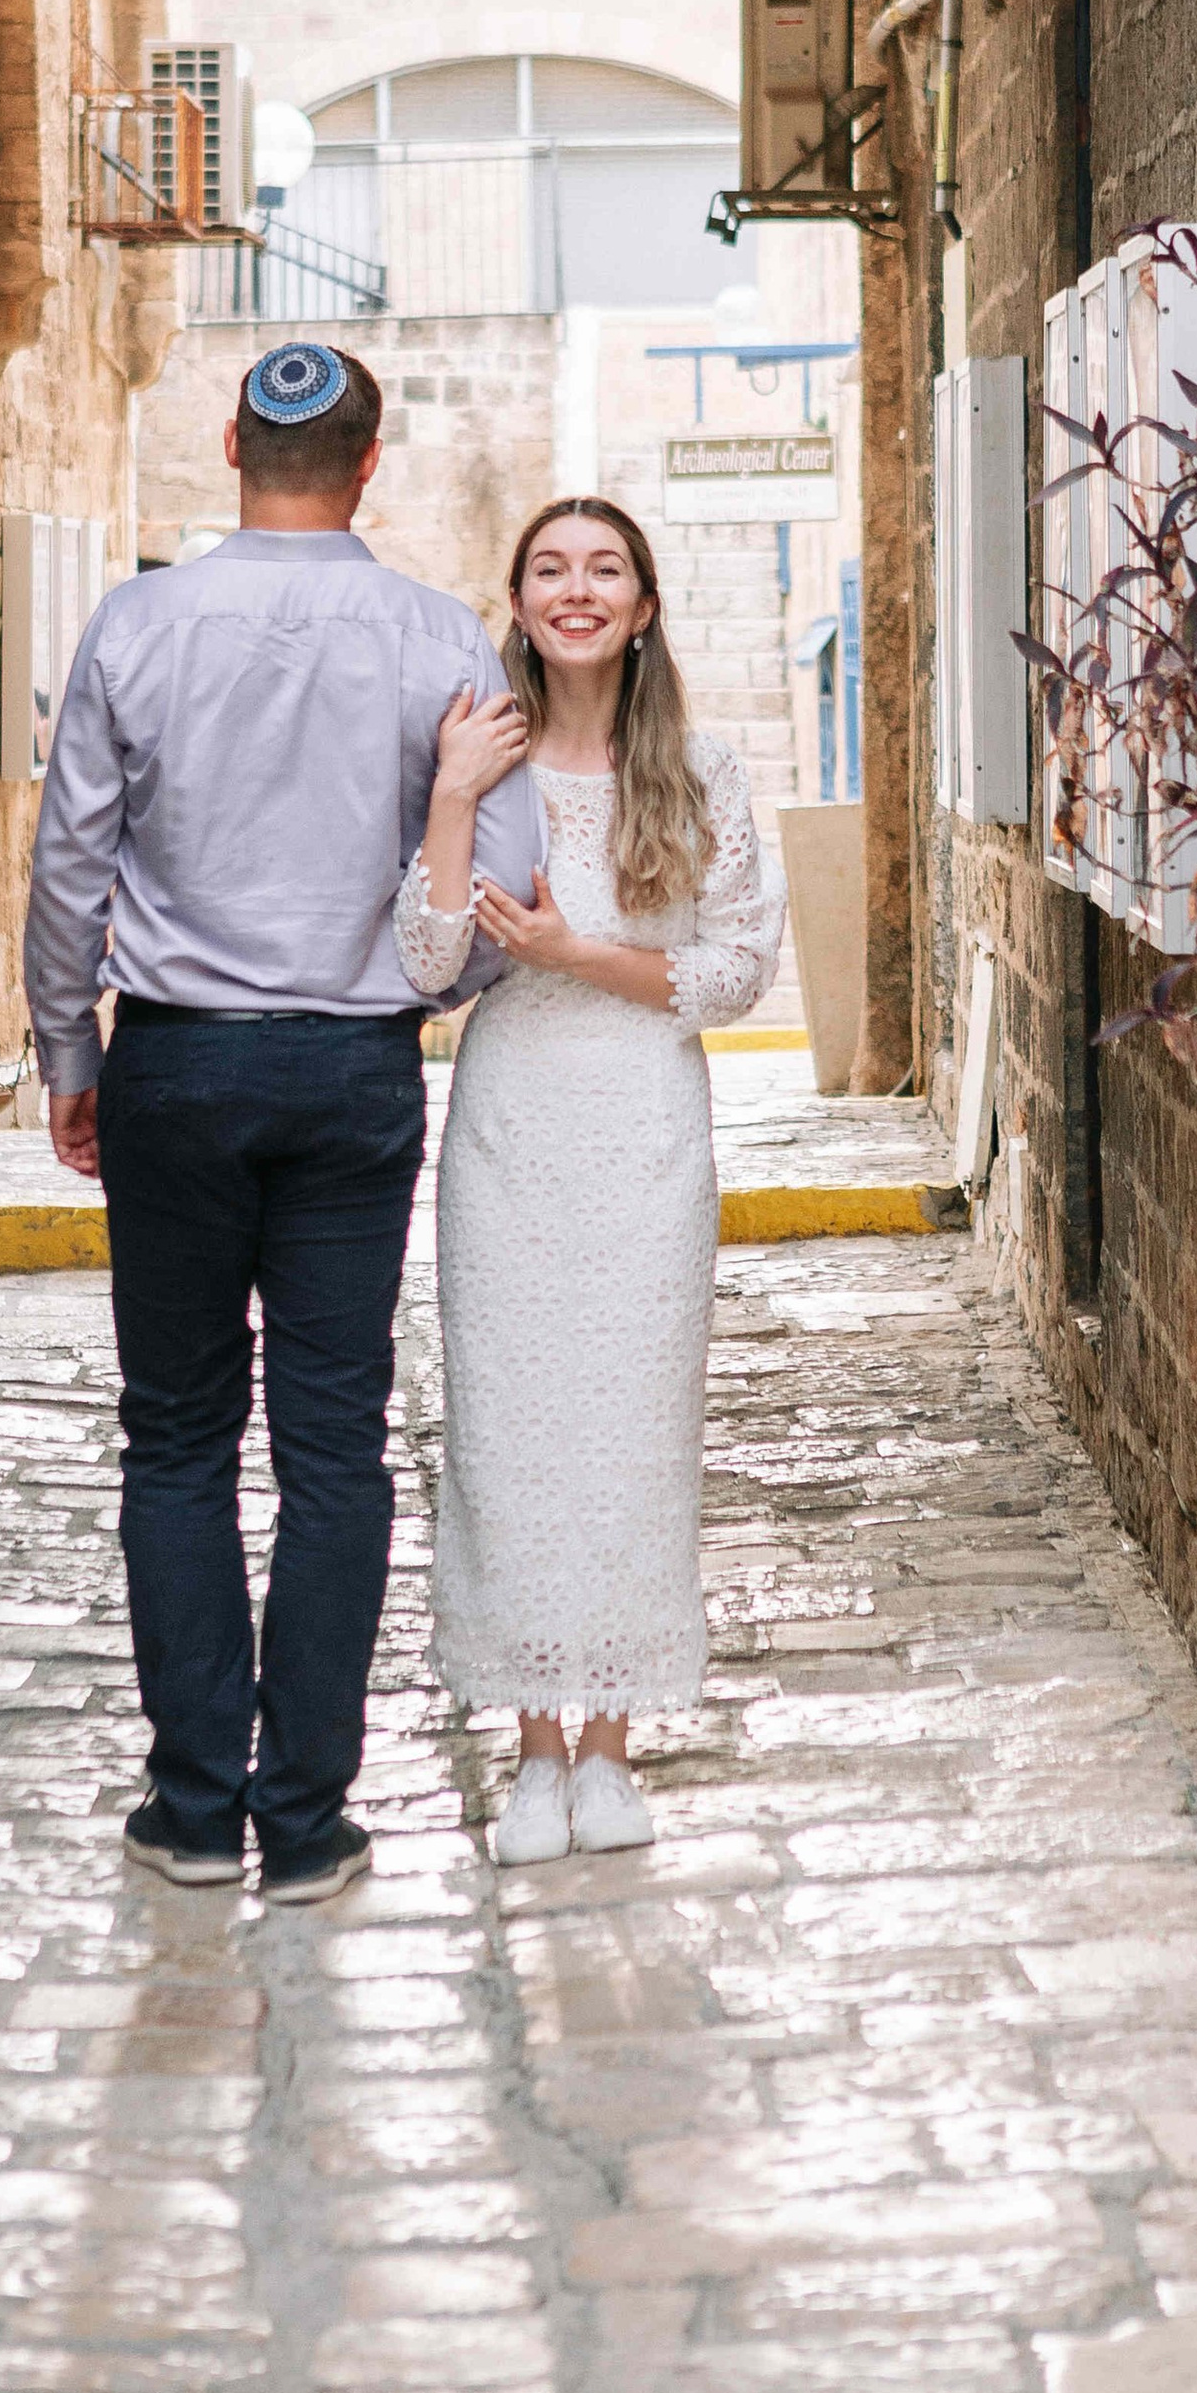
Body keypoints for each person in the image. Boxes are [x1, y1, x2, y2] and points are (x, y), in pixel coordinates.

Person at [23, 340, 539, 1905]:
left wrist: (70, 1052)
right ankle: (305, 1816)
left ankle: (192, 1807)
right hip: (350, 1074)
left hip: (174, 1067)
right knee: (336, 1447)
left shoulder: (139, 623)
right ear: (371, 461)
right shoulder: (441, 640)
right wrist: (403, 1006)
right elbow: (498, 898)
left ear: (234, 442)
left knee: (176, 1433)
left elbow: (68, 872)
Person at [396, 496, 782, 1863]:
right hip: (510, 1134)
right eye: (551, 568)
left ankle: (613, 1743)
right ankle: (532, 1751)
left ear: (644, 604)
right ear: (519, 598)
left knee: (632, 1432)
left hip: (643, 1129)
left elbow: (734, 973)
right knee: (506, 1436)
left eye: (603, 568)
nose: (577, 589)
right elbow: (428, 963)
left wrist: (575, 954)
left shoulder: (705, 772)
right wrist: (448, 794)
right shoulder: (481, 766)